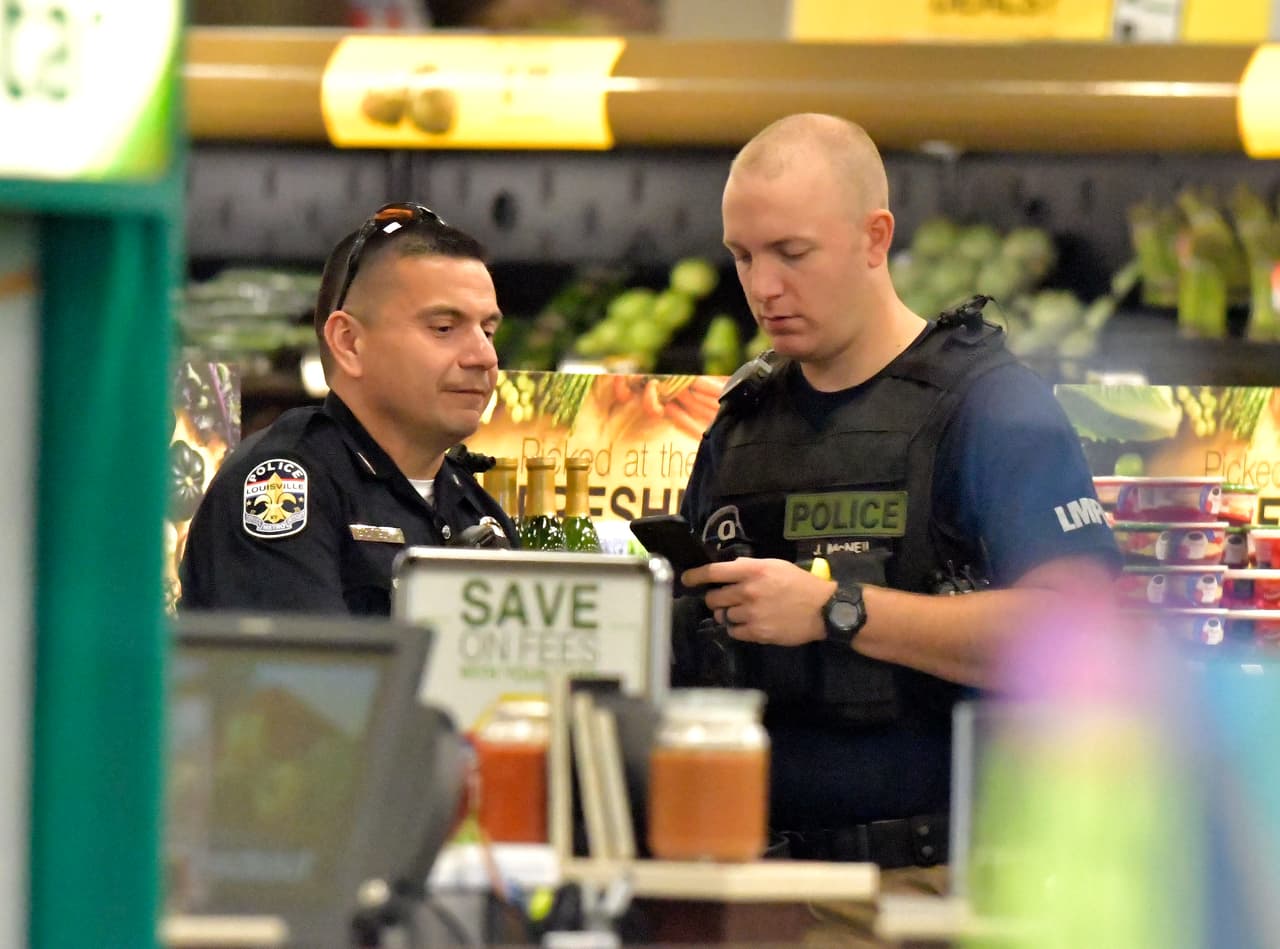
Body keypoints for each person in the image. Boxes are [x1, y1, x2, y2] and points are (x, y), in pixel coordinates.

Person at [676, 114, 1120, 870]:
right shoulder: (742, 422)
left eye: (792, 252)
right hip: (752, 876)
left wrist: (835, 610)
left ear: (875, 238)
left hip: (936, 884)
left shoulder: (993, 408)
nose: (763, 286)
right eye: (743, 256)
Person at [180, 202, 517, 615]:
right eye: (444, 328)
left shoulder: (476, 508)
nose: (483, 357)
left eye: (487, 330)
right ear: (349, 343)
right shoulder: (285, 483)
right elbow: (302, 673)